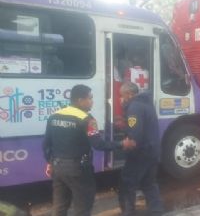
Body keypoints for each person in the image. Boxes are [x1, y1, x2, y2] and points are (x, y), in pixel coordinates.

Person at [42, 84, 136, 216]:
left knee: (60, 207)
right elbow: (99, 144)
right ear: (80, 100)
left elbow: (46, 144)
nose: (92, 101)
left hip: (58, 168)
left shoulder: (55, 116)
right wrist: (122, 144)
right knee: (83, 207)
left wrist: (50, 162)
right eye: (90, 98)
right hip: (78, 170)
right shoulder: (87, 119)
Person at [118, 82, 163, 216]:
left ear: (129, 94)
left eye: (122, 96)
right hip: (153, 151)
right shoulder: (147, 103)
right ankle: (156, 211)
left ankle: (128, 212)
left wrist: (126, 143)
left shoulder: (134, 107)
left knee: (127, 184)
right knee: (149, 184)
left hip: (140, 153)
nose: (121, 99)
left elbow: (135, 134)